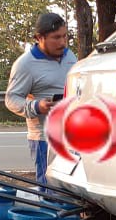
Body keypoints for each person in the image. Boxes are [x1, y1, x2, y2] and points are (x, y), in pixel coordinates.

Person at [5, 12, 78, 186]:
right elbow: (11, 99)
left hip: (71, 136)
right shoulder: (25, 64)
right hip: (44, 140)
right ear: (39, 38)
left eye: (64, 36)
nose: (62, 43)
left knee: (72, 190)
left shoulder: (70, 56)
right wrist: (37, 106)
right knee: (50, 191)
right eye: (56, 38)